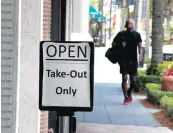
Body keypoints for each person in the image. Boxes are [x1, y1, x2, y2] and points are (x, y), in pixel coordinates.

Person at [112, 19, 143, 105]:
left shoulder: (137, 35)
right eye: (129, 24)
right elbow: (113, 44)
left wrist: (140, 56)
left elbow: (140, 46)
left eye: (133, 23)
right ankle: (125, 97)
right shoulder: (121, 34)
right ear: (126, 25)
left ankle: (129, 92)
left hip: (133, 60)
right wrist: (120, 45)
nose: (131, 25)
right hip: (123, 59)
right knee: (124, 78)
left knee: (133, 80)